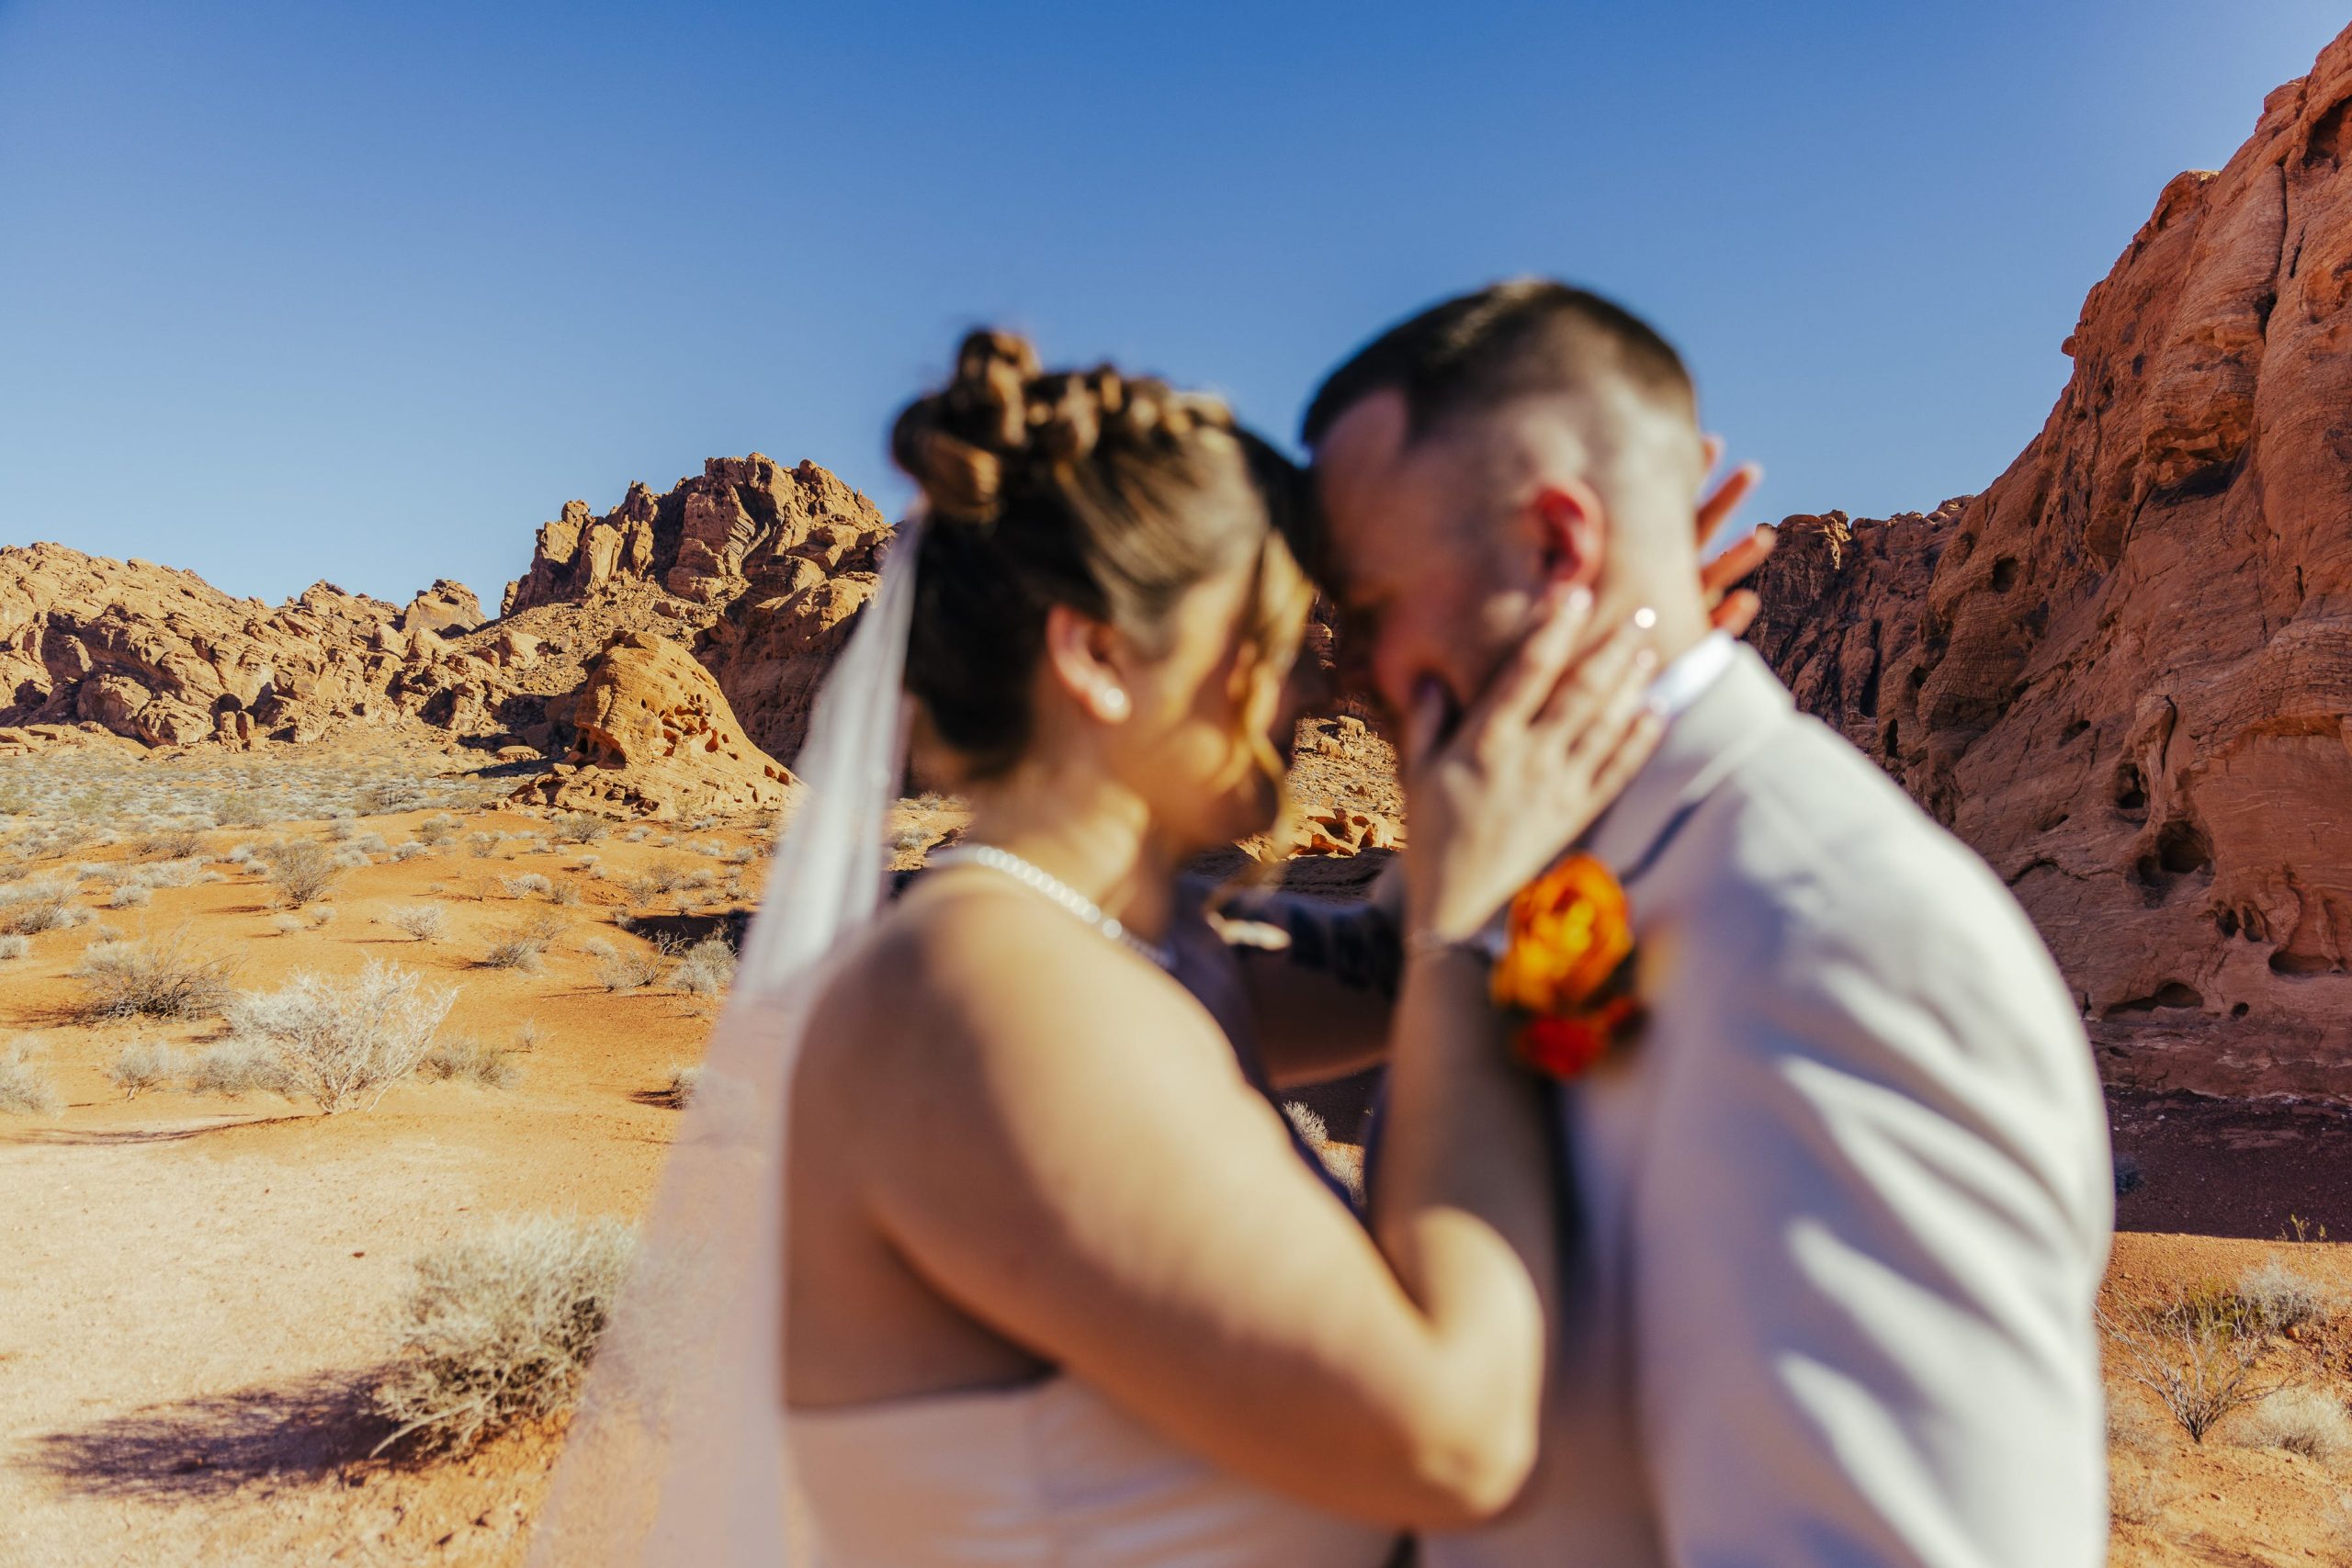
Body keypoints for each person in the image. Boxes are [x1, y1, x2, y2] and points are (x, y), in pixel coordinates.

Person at [534, 326, 1677, 1567]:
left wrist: (1582, 646)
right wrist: (1465, 922)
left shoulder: (1140, 951)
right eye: (1269, 634)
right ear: (1098, 655)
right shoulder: (983, 997)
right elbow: (1458, 1437)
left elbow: (1400, 953)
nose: (1306, 682)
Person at [1268, 278, 2117, 1566]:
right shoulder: (1556, 870)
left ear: (1560, 552)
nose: (1344, 674)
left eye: (1371, 609)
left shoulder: (1823, 942)